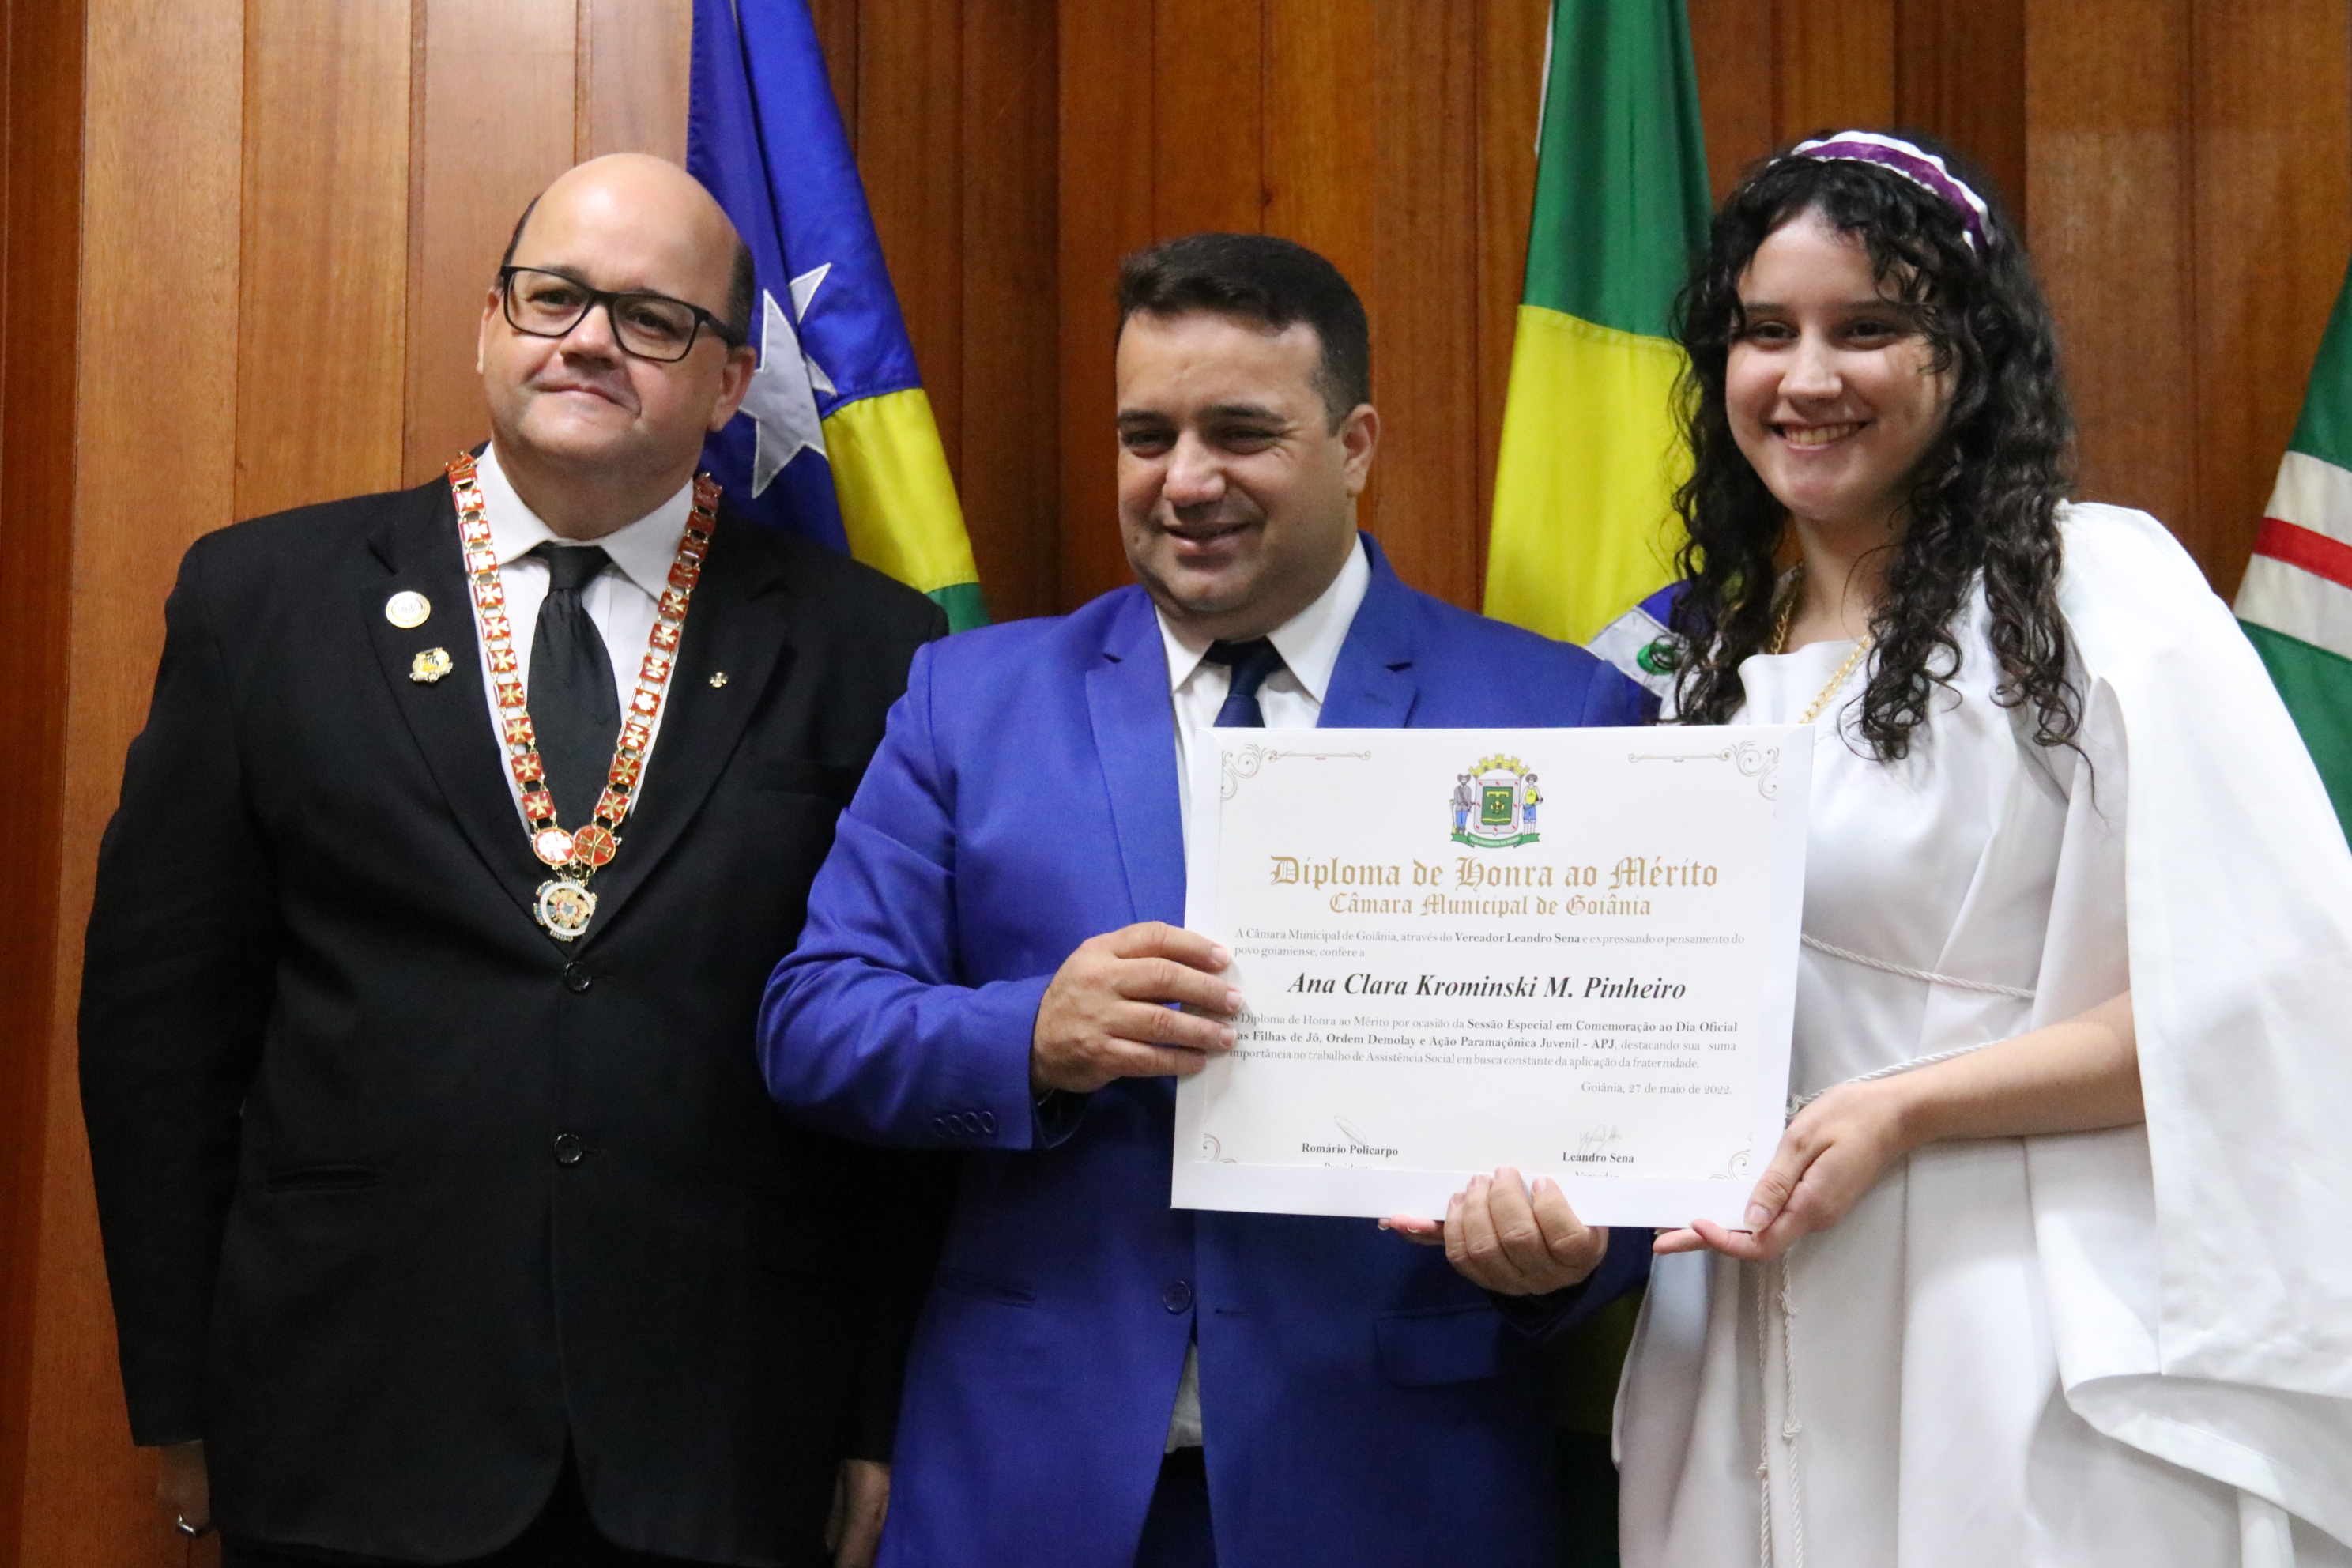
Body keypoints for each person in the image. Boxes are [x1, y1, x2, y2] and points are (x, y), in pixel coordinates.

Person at [1438, 131, 2352, 1566]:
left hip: (2016, 1320)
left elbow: (2266, 998)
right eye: (1765, 332)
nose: (1805, 377)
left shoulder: (2090, 594)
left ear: (1968, 355)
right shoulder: (1684, 666)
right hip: (1738, 1321)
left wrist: (1906, 1109)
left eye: (1865, 328)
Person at [78, 154, 948, 1568]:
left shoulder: (871, 647)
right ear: (492, 321)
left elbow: (893, 1058)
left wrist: (872, 1412)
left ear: (732, 384)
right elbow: (159, 1031)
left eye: (654, 318)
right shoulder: (264, 602)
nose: (590, 339)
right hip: (345, 1418)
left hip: (726, 1437)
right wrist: (176, 1393)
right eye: (554, 297)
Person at [758, 232, 1653, 1568]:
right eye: (1147, 436)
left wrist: (1575, 1253)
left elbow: (1645, 1109)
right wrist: (1032, 1036)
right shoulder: (969, 700)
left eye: (1241, 433)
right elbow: (814, 1026)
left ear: (1354, 445)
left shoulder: (1555, 713)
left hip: (1394, 1489)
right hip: (1029, 1484)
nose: (1185, 481)